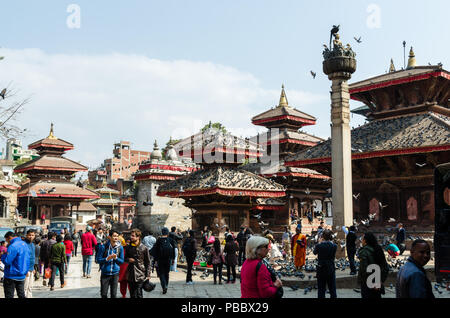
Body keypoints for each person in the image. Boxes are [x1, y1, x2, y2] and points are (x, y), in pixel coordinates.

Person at [357, 232, 389, 299]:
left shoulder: (364, 252)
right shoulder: (378, 249)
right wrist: (379, 281)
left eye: (362, 239)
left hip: (367, 284)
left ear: (365, 241)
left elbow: (364, 270)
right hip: (377, 284)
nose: (361, 241)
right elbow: (385, 267)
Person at [0, 232, 30, 298]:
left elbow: (7, 261)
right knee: (21, 295)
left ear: (9, 238)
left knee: (9, 295)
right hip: (22, 274)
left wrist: (3, 256)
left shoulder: (13, 246)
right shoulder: (24, 244)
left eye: (7, 240)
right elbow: (28, 260)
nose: (7, 242)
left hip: (11, 275)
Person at [124, 229, 151, 298]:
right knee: (132, 294)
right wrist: (128, 259)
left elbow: (148, 262)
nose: (131, 237)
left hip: (140, 273)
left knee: (139, 294)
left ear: (138, 237)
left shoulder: (144, 248)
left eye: (133, 236)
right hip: (130, 274)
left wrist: (148, 274)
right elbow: (124, 258)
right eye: (131, 235)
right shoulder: (128, 247)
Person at [97, 230, 124, 298]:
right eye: (114, 236)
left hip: (115, 274)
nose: (116, 238)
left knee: (113, 295)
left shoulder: (120, 247)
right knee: (103, 294)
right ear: (109, 237)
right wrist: (106, 259)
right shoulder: (103, 247)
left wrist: (116, 258)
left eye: (117, 236)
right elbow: (98, 260)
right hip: (105, 273)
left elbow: (121, 261)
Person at [150, 227, 175, 294]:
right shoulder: (171, 240)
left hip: (160, 260)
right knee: (167, 273)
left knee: (161, 273)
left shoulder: (159, 240)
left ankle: (164, 286)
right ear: (167, 233)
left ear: (162, 232)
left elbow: (154, 250)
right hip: (168, 259)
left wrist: (154, 259)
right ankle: (166, 285)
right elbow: (174, 250)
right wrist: (173, 259)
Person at [313, 229, 337, 298]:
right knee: (332, 289)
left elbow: (314, 253)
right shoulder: (334, 246)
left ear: (322, 236)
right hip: (331, 268)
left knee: (321, 289)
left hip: (321, 268)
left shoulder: (319, 246)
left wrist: (319, 242)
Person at [23, 229, 36, 298]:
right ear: (26, 235)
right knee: (25, 287)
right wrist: (25, 270)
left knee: (30, 287)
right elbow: (23, 258)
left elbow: (32, 257)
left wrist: (33, 268)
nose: (31, 237)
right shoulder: (24, 244)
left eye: (32, 235)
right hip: (26, 269)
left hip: (31, 268)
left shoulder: (33, 245)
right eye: (29, 235)